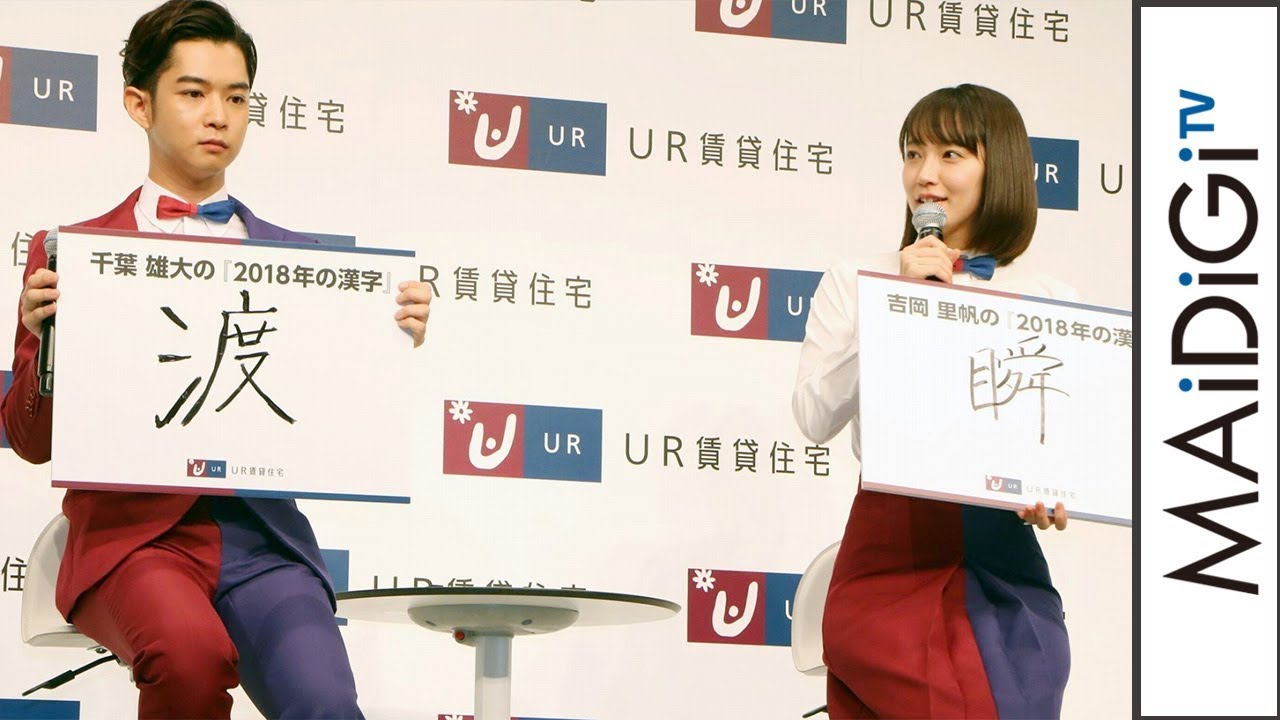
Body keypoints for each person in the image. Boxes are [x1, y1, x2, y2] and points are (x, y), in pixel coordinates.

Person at [0, 2, 432, 717]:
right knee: (190, 659)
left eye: (236, 98)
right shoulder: (73, 256)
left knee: (325, 702)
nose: (218, 116)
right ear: (139, 104)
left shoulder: (301, 264)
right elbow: (29, 440)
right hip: (133, 540)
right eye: (194, 93)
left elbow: (336, 425)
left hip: (262, 538)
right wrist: (46, 345)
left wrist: (386, 345)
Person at [792, 84, 1074, 719]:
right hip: (889, 550)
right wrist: (896, 307)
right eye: (913, 153)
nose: (925, 174)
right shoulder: (855, 279)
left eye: (951, 155)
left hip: (1004, 557)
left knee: (1023, 690)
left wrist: (1054, 491)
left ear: (997, 166)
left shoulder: (1048, 298)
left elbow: (1060, 444)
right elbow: (814, 417)